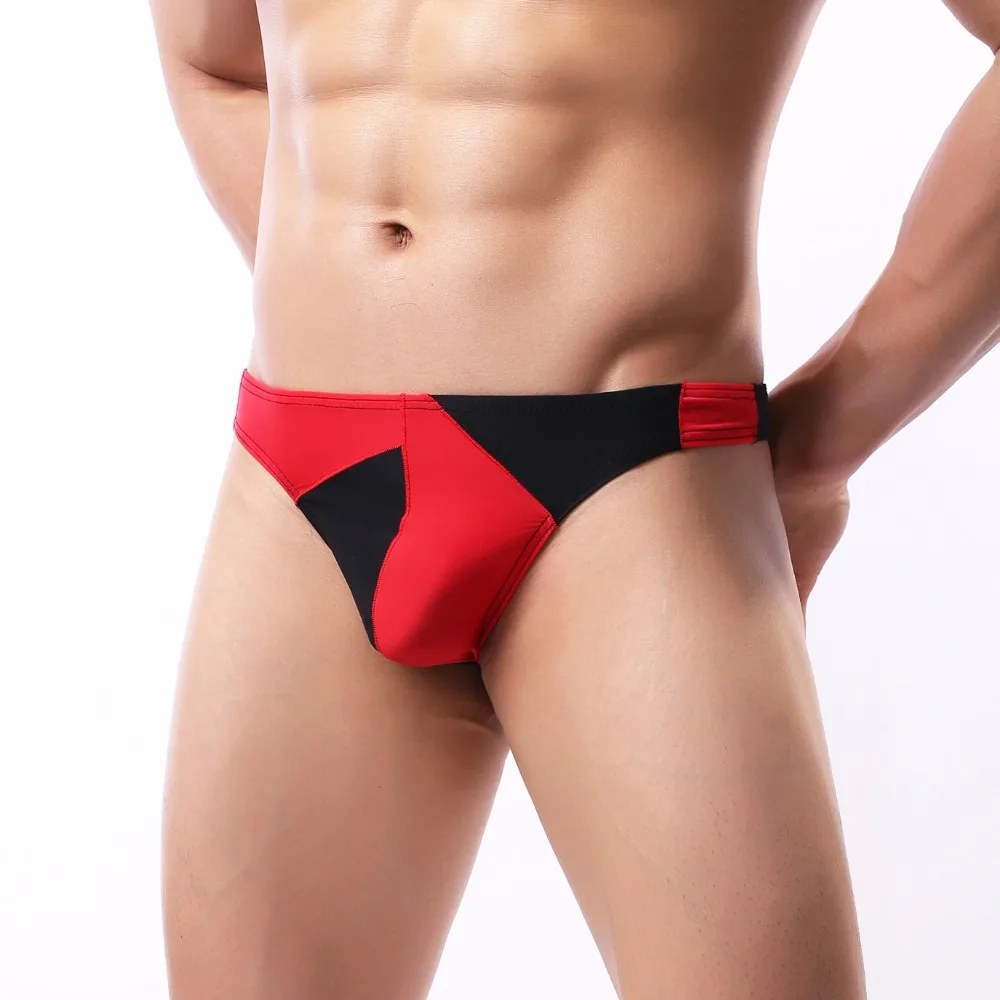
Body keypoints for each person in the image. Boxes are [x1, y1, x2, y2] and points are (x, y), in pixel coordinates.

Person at [149, 0, 1000, 995]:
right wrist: (377, 300)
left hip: (632, 472)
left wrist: (830, 434)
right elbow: (213, 63)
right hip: (298, 468)